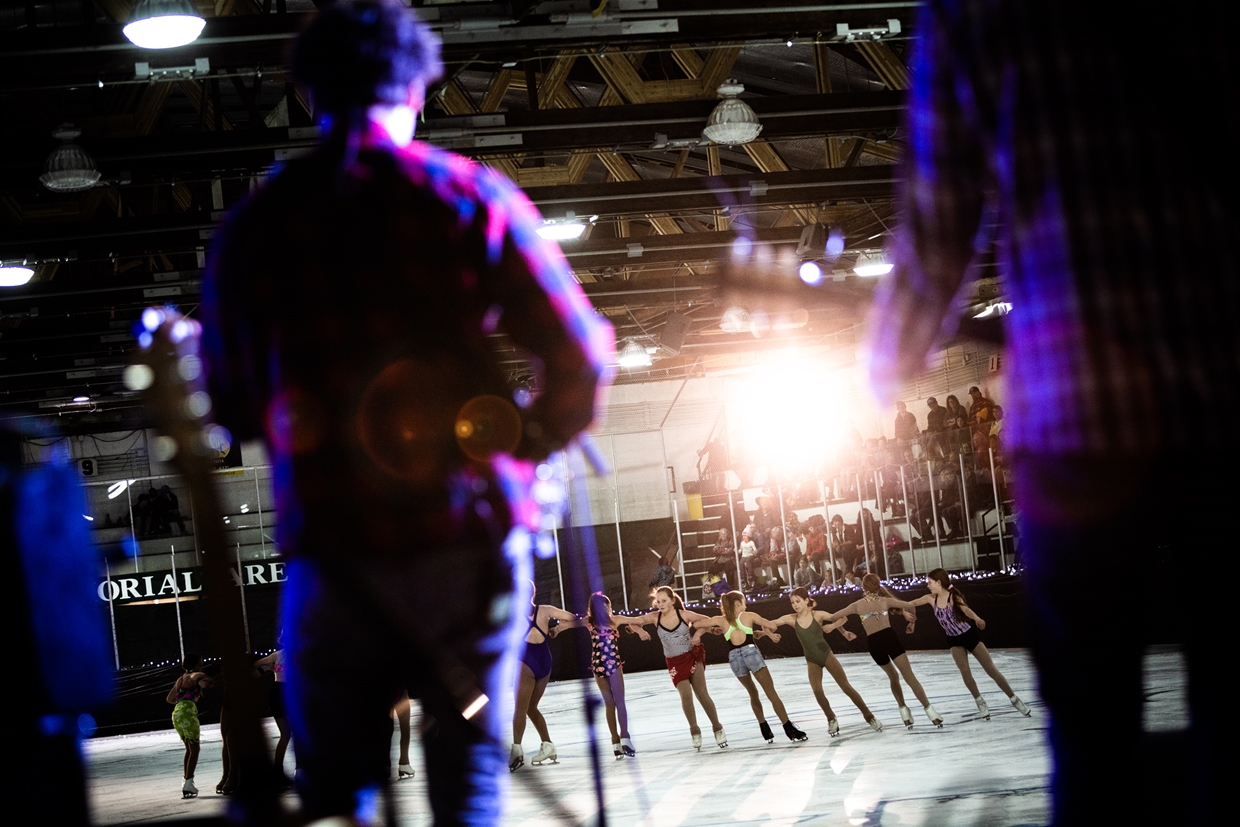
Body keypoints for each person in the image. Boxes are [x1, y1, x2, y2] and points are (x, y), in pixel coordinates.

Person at [198, 2, 614, 821]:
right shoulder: (469, 197)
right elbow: (585, 357)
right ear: (421, 88)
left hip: (338, 554)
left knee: (340, 783)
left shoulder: (257, 228)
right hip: (470, 549)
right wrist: (517, 447)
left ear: (306, 94)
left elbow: (230, 405)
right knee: (468, 782)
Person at [865, 2, 1235, 823]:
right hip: (1223, 395)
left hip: (1079, 421)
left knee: (1094, 726)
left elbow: (938, 216)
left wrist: (886, 354)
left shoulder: (970, 11)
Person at [905, 569, 1030, 720]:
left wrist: (977, 618)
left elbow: (965, 609)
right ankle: (980, 702)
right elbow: (909, 603)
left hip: (968, 636)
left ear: (939, 582)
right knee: (965, 672)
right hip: (953, 640)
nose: (928, 586)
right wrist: (903, 613)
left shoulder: (953, 597)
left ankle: (1014, 699)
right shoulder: (930, 599)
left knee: (991, 669)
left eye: (930, 582)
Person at [821, 575, 943, 728]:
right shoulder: (886, 601)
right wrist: (911, 623)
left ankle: (903, 711)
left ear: (863, 588)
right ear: (878, 586)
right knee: (909, 677)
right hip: (890, 639)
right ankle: (930, 711)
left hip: (874, 644)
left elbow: (834, 617)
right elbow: (910, 605)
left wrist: (841, 630)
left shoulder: (857, 605)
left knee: (893, 677)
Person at [693, 591, 808, 744]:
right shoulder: (748, 615)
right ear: (738, 604)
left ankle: (764, 728)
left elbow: (696, 624)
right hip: (750, 653)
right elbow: (772, 625)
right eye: (744, 601)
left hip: (734, 658)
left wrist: (711, 629)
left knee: (753, 693)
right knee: (770, 692)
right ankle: (789, 729)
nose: (746, 605)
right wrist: (765, 633)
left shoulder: (721, 620)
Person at [768, 588, 883, 735]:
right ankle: (831, 719)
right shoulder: (791, 618)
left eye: (798, 601)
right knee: (817, 690)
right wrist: (767, 634)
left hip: (826, 655)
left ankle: (869, 716)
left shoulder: (818, 615)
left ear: (806, 600)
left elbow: (842, 618)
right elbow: (769, 624)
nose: (795, 605)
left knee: (846, 686)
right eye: (792, 602)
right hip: (812, 659)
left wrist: (837, 628)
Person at [625, 586, 728, 750]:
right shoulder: (654, 617)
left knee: (702, 693)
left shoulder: (684, 614)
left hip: (691, 656)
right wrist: (640, 631)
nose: (660, 604)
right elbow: (633, 622)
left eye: (664, 601)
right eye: (658, 601)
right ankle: (694, 730)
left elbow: (706, 621)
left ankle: (717, 727)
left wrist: (697, 634)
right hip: (674, 661)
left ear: (672, 600)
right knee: (685, 695)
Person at [552, 592, 649, 758]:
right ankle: (619, 739)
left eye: (607, 606)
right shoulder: (599, 621)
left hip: (604, 665)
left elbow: (634, 620)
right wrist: (558, 628)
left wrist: (639, 630)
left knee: (615, 702)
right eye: (604, 606)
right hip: (605, 666)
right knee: (614, 703)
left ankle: (621, 740)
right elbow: (570, 624)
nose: (606, 609)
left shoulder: (610, 620)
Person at [509, 583, 577, 772]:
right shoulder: (546, 610)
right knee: (530, 708)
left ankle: (516, 751)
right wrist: (558, 629)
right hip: (545, 663)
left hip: (527, 663)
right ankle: (548, 745)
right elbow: (573, 618)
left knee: (521, 709)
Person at [165, 653, 213, 799]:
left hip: (177, 714)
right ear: (193, 666)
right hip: (187, 714)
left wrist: (182, 701)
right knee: (195, 749)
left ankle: (186, 782)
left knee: (189, 749)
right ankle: (188, 782)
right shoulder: (192, 675)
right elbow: (196, 677)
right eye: (199, 664)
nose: (201, 667)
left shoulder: (180, 679)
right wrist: (203, 679)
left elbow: (169, 699)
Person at [253, 632, 293, 784]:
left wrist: (270, 667)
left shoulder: (277, 655)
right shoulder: (295, 654)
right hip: (287, 693)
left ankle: (278, 771)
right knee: (290, 734)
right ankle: (290, 771)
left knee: (286, 734)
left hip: (279, 692)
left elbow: (256, 666)